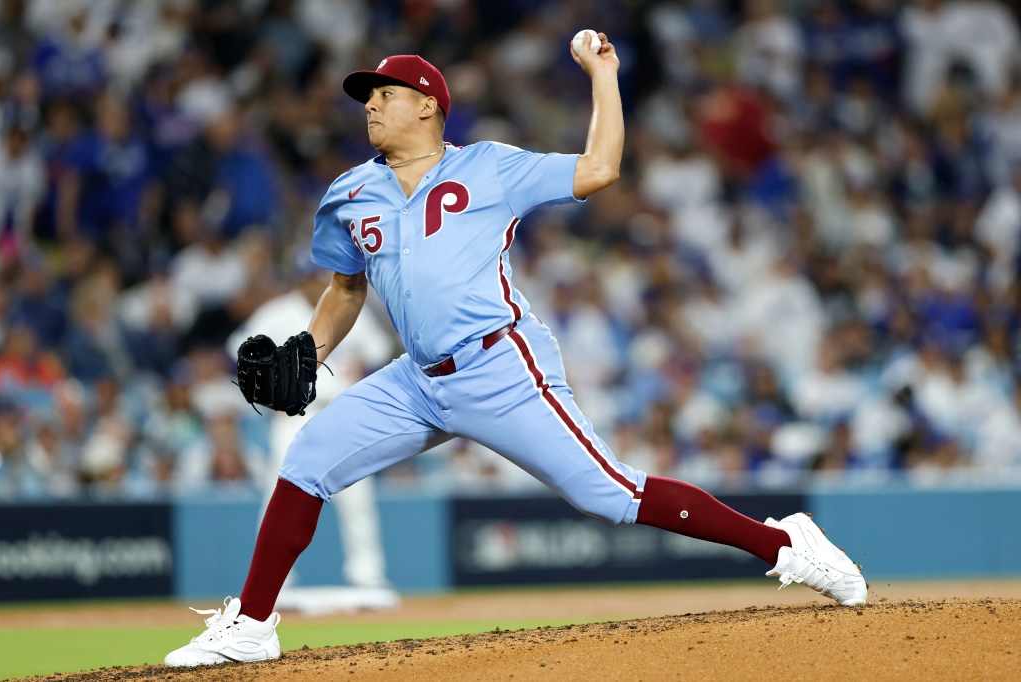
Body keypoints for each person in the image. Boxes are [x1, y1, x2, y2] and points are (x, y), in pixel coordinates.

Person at [165, 33, 867, 667]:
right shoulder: (351, 193)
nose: (371, 107)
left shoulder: (489, 168)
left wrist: (603, 74)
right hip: (416, 380)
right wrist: (311, 349)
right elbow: (346, 289)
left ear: (429, 107)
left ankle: (785, 545)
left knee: (610, 493)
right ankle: (253, 624)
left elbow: (599, 169)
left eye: (386, 95)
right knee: (308, 458)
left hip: (501, 365)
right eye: (368, 97)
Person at [225, 255, 400, 613]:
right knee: (280, 496)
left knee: (357, 495)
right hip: (293, 416)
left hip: (342, 412)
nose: (310, 281)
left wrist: (358, 369)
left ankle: (368, 576)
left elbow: (379, 349)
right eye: (305, 276)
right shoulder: (277, 312)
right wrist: (268, 383)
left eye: (315, 275)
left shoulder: (344, 306)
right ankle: (277, 584)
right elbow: (237, 349)